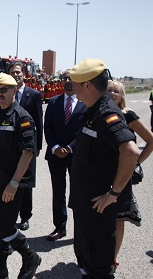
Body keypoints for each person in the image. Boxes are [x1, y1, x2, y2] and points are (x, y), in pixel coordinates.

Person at [69, 59, 140, 278]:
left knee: (99, 267)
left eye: (75, 84)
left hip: (99, 211)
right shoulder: (92, 111)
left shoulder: (107, 114)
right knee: (86, 261)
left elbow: (131, 152)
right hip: (85, 206)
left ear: (88, 85)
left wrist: (114, 193)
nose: (73, 89)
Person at [0, 73, 40, 279]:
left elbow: (28, 152)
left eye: (4, 90)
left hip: (11, 183)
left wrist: (14, 183)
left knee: (4, 226)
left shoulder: (21, 116)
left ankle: (30, 256)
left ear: (13, 91)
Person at [107, 80, 153, 270]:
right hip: (100, 174)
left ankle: (112, 259)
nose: (111, 94)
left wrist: (135, 164)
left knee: (118, 219)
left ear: (121, 96)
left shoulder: (128, 115)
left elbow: (150, 140)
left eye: (115, 92)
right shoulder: (97, 115)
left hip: (120, 175)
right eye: (108, 91)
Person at [44, 69, 87, 241]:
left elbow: (85, 130)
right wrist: (55, 147)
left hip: (76, 155)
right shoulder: (54, 102)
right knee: (58, 192)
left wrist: (69, 148)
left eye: (71, 78)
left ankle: (80, 229)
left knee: (78, 193)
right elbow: (47, 127)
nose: (68, 81)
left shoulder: (86, 103)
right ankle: (60, 227)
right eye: (64, 78)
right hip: (55, 155)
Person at [9, 62, 43, 231]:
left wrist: (38, 146)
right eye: (13, 73)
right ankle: (11, 214)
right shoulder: (6, 92)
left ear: (23, 75)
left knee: (26, 181)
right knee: (12, 177)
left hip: (28, 143)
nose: (16, 75)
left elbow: (39, 121)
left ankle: (25, 216)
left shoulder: (34, 94)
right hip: (10, 145)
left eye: (18, 72)